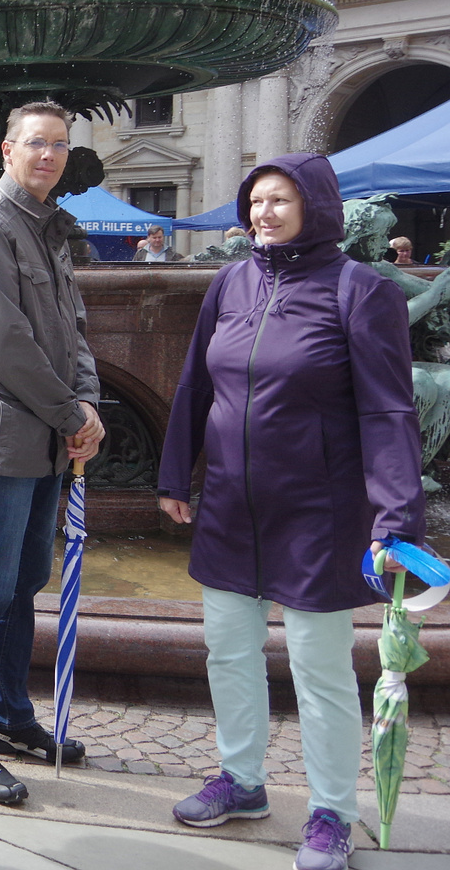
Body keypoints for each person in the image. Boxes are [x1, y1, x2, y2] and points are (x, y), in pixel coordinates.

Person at [157, 153, 425, 870]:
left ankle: (333, 811)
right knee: (230, 650)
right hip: (230, 505)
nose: (263, 214)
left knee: (319, 666)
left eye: (279, 200)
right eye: (255, 201)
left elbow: (388, 409)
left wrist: (395, 515)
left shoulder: (358, 289)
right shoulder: (231, 281)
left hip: (318, 511)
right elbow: (195, 384)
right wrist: (174, 473)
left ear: (316, 206)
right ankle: (242, 781)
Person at [0, 101, 105, 806]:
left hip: (46, 435)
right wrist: (72, 413)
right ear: (6, 151)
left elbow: (74, 327)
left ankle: (8, 716)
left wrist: (87, 404)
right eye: (36, 143)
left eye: (59, 145)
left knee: (25, 576)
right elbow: (1, 342)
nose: (48, 155)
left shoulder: (48, 228)